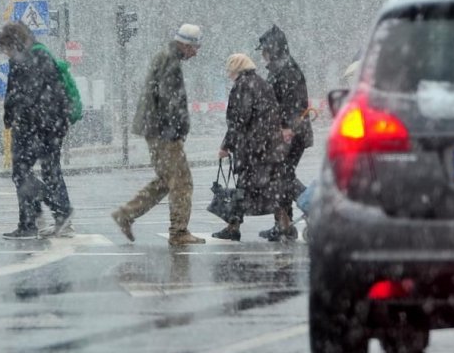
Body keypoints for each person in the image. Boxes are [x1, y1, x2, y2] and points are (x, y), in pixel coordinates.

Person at [111, 24, 206, 246]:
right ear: (184, 44)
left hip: (156, 130)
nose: (196, 52)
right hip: (164, 133)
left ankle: (127, 214)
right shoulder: (170, 62)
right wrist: (176, 131)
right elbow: (169, 101)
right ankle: (179, 232)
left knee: (166, 180)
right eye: (194, 47)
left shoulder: (165, 58)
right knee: (182, 182)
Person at [0, 22, 74, 240]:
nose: (5, 52)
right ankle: (38, 218)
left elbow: (24, 94)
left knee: (22, 172)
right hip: (47, 126)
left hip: (36, 127)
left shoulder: (30, 58)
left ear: (14, 43)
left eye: (5, 47)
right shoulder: (36, 55)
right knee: (47, 171)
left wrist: (14, 116)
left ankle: (52, 213)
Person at [212, 53, 281, 241]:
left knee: (243, 187)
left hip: (251, 146)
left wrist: (226, 145)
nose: (228, 75)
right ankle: (283, 224)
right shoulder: (262, 83)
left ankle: (233, 227)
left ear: (237, 70)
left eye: (230, 71)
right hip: (269, 145)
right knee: (273, 186)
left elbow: (239, 119)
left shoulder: (242, 86)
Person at [257, 25, 313, 241]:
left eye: (264, 49)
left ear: (273, 48)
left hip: (291, 134)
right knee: (279, 177)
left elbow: (294, 103)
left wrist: (288, 128)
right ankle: (283, 225)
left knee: (282, 176)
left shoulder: (287, 70)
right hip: (285, 133)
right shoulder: (280, 67)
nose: (263, 54)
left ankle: (311, 205)